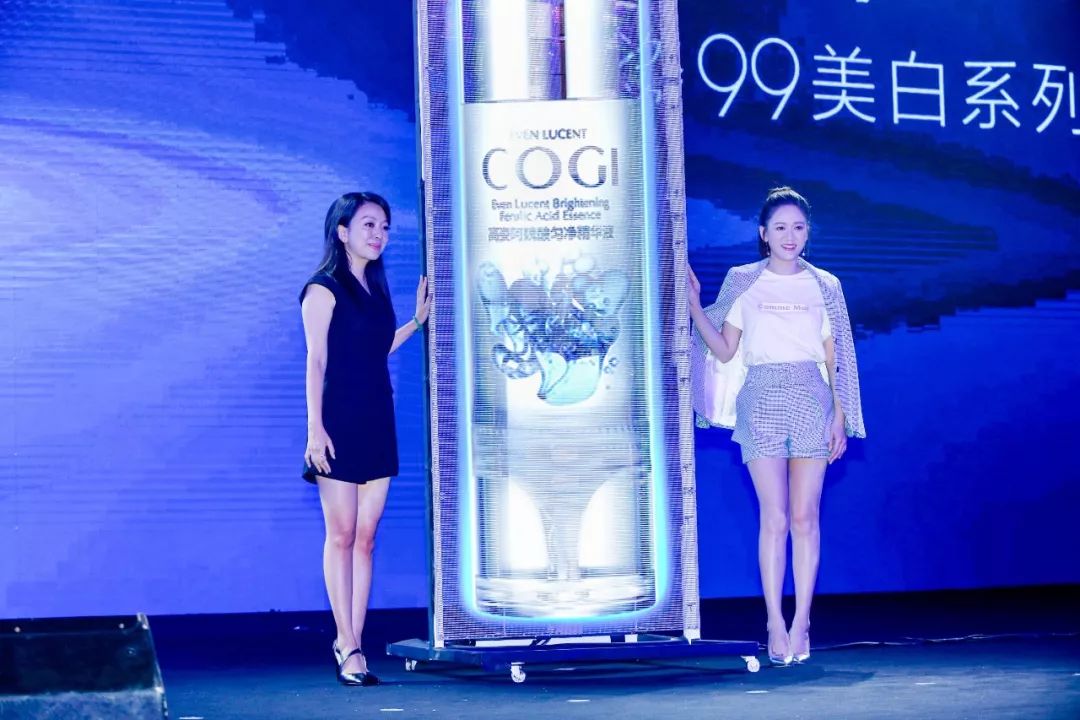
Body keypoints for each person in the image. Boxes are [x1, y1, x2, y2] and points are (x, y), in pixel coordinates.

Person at [688, 187, 865, 666]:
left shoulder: (825, 285)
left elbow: (835, 358)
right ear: (763, 234)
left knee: (806, 518)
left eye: (799, 227)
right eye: (781, 227)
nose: (790, 236)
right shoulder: (743, 280)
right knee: (775, 518)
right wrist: (695, 307)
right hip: (761, 399)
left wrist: (840, 415)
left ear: (808, 233)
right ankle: (773, 620)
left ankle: (802, 619)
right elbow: (724, 350)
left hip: (811, 398)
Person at [300, 191, 431, 686]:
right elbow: (317, 361)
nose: (379, 235)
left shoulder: (374, 287)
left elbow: (375, 349)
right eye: (369, 225)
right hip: (338, 420)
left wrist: (415, 322)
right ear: (343, 232)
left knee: (367, 537)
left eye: (384, 226)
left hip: (377, 416)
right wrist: (315, 429)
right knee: (341, 534)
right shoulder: (322, 288)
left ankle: (353, 639)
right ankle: (347, 644)